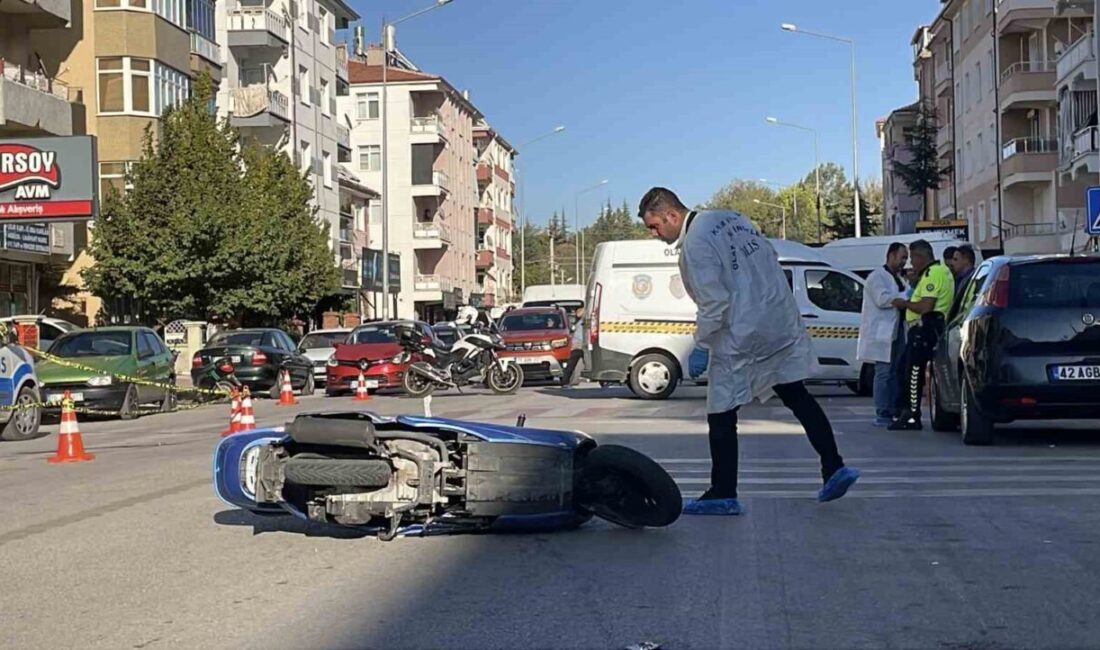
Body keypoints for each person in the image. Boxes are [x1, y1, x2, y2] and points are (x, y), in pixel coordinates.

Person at [638, 187, 860, 515]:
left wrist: (700, 344)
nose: (654, 234)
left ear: (672, 215)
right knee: (796, 394)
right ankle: (834, 466)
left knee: (721, 414)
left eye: (654, 225)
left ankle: (723, 492)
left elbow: (715, 301)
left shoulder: (697, 242)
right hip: (776, 322)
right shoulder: (732, 219)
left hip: (740, 334)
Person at [888, 239, 955, 431]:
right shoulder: (937, 271)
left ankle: (911, 416)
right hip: (926, 329)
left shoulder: (933, 274)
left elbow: (926, 306)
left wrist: (905, 304)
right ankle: (906, 412)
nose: (911, 263)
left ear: (920, 256)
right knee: (905, 369)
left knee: (913, 372)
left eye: (912, 258)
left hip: (925, 329)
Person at [856, 243, 909, 428]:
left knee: (895, 371)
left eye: (906, 258)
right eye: (902, 257)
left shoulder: (898, 278)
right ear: (891, 255)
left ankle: (893, 409)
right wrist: (904, 301)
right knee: (884, 373)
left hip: (897, 330)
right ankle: (882, 412)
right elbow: (882, 299)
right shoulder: (877, 277)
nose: (905, 261)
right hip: (882, 331)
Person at [561, 307, 585, 387]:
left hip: (585, 344)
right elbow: (579, 313)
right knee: (571, 364)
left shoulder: (584, 321)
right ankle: (565, 382)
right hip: (577, 344)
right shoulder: (580, 321)